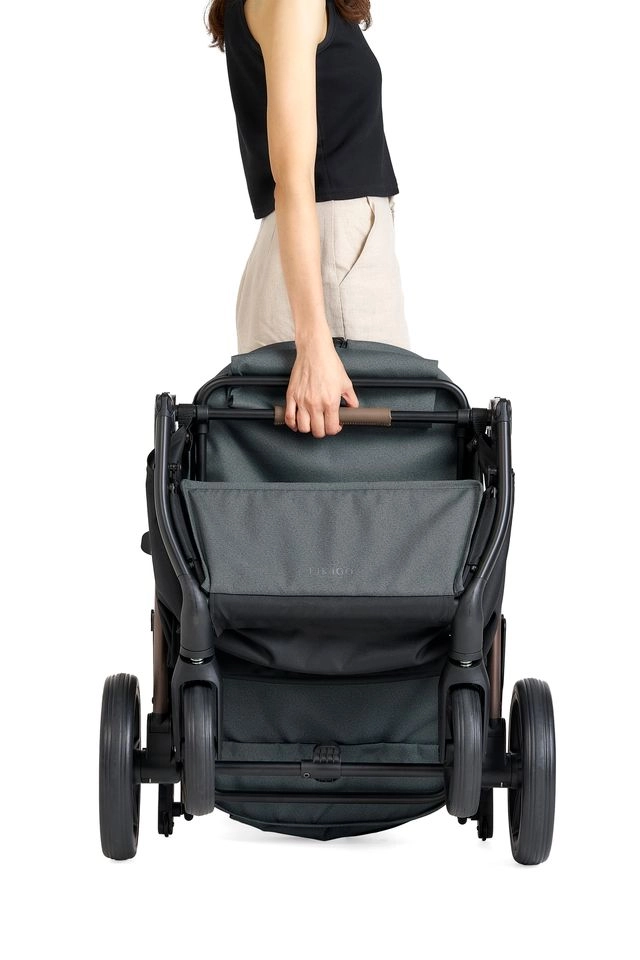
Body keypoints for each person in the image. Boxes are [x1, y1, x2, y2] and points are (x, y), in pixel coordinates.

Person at [205, 0, 411, 437]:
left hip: (321, 255)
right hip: (330, 260)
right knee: (374, 461)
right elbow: (293, 178)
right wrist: (314, 342)